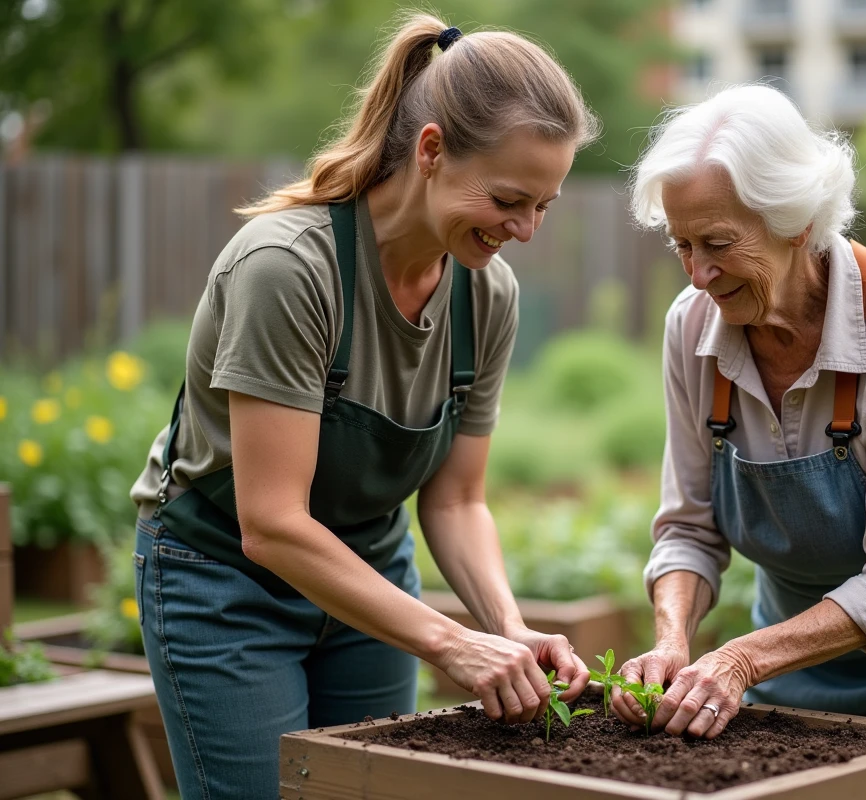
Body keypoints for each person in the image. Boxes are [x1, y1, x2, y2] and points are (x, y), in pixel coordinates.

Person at [127, 14, 600, 799]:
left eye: (544, 205)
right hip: (223, 581)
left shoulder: (486, 294)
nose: (525, 230)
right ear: (431, 150)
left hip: (368, 579)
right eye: (510, 198)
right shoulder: (288, 269)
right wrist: (451, 643)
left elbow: (456, 499)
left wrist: (505, 629)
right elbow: (272, 522)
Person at [612, 84, 866, 800]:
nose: (698, 276)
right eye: (681, 245)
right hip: (794, 639)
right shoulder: (691, 328)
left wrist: (738, 660)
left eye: (718, 244)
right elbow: (688, 530)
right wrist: (675, 639)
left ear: (796, 221)